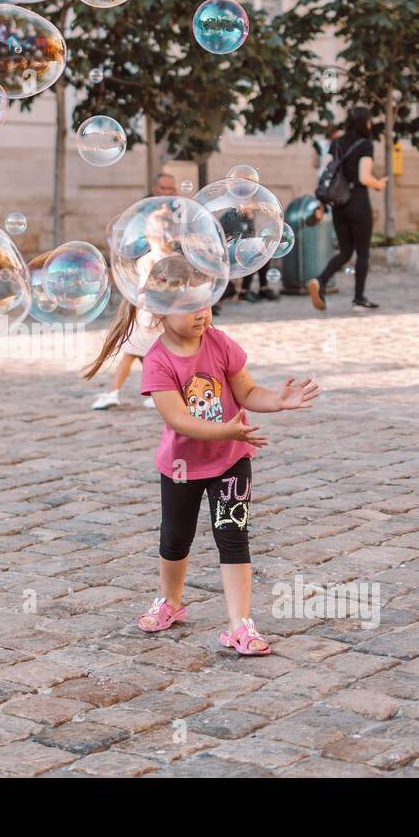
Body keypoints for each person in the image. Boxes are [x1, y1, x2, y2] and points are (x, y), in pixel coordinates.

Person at [85, 304, 318, 654]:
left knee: (233, 536)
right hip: (181, 466)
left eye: (205, 303)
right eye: (189, 307)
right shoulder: (158, 361)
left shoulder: (219, 342)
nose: (201, 313)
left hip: (231, 460)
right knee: (176, 537)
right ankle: (169, 601)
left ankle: (239, 624)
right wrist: (227, 429)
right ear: (160, 312)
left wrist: (277, 401)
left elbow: (248, 392)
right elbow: (179, 419)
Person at [87, 171, 179, 410]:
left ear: (152, 235)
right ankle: (152, 392)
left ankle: (116, 392)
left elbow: (141, 291)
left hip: (147, 316)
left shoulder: (149, 260)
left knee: (133, 354)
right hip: (159, 317)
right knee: (148, 355)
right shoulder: (173, 258)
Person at [307, 107, 386, 311]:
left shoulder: (336, 143)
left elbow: (326, 174)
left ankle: (320, 279)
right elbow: (363, 177)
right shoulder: (366, 145)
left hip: (338, 204)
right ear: (365, 123)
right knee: (362, 253)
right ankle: (359, 298)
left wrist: (322, 204)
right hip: (358, 203)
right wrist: (378, 184)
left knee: (345, 251)